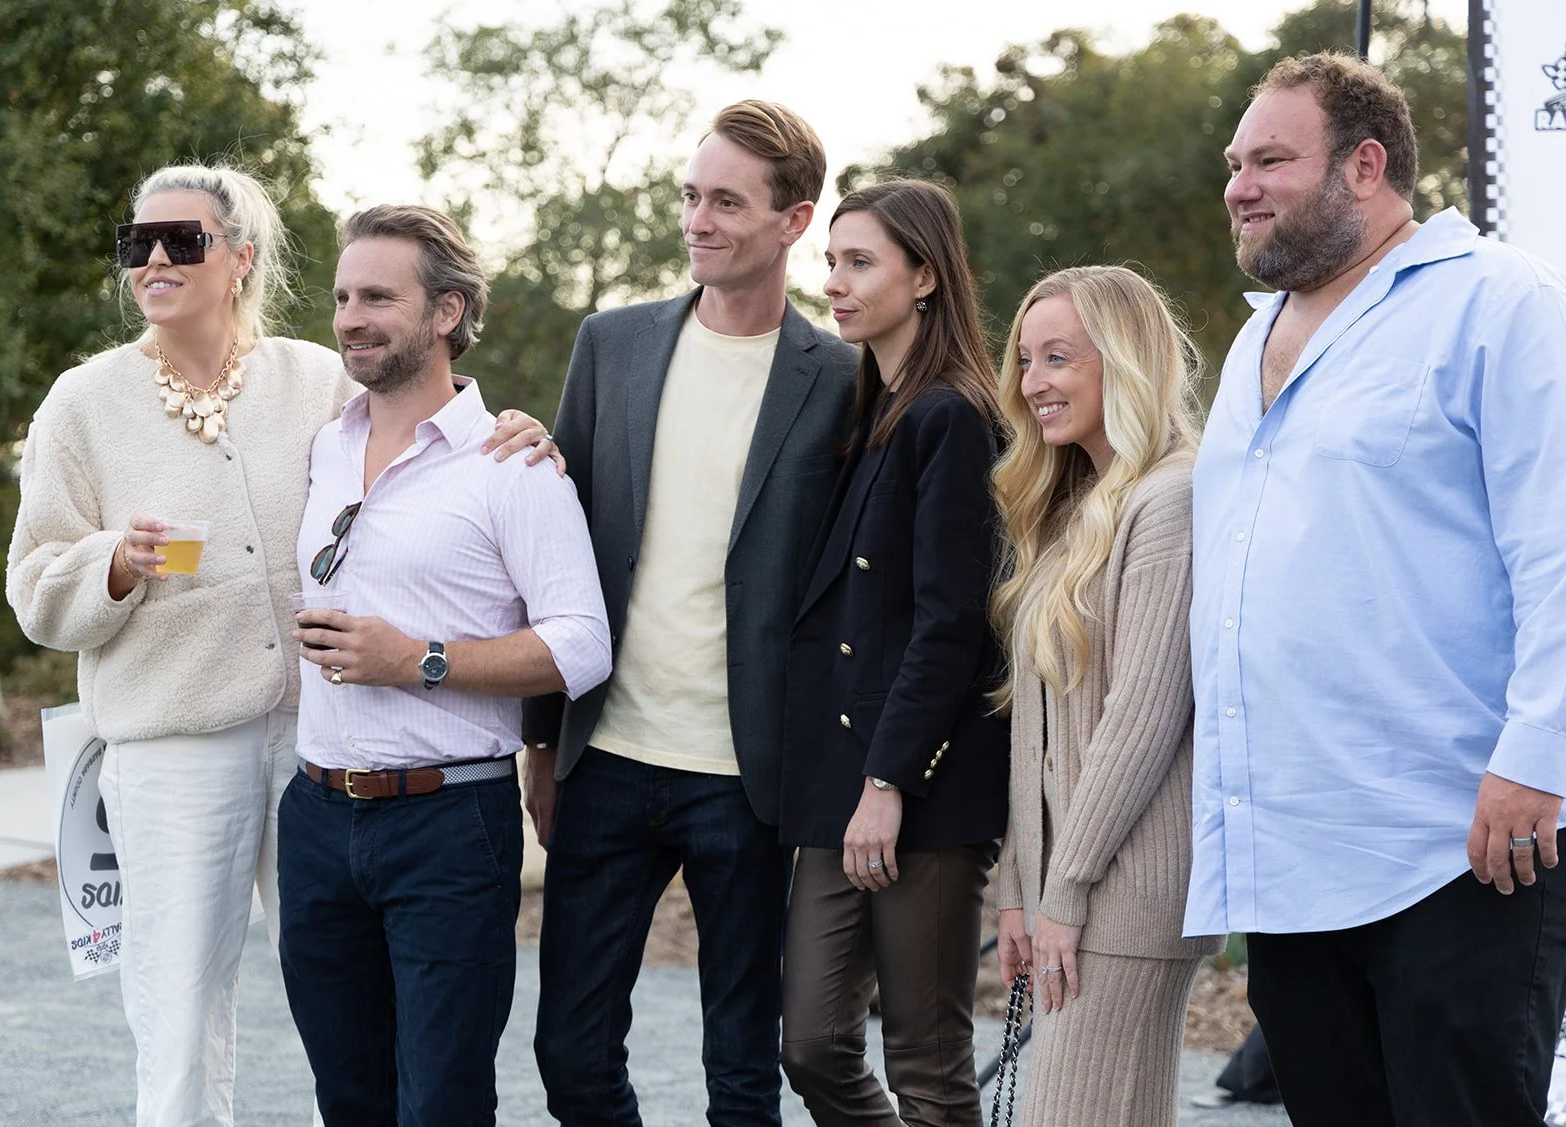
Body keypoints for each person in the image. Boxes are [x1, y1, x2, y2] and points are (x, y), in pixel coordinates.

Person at [3, 165, 552, 1127]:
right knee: (176, 1018)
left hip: (324, 745)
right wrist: (115, 566)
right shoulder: (82, 404)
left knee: (345, 1013)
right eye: (139, 244)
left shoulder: (317, 378)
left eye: (185, 240)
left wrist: (511, 426)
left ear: (242, 258)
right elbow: (34, 590)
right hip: (176, 748)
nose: (157, 259)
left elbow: (429, 432)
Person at [1185, 52, 1566, 1126]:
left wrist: (1537, 758)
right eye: (1233, 163)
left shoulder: (1499, 303)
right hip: (1288, 855)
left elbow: (1559, 546)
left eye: (1269, 160)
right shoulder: (1252, 342)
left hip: (1460, 845)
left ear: (1364, 165)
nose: (1238, 186)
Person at [522, 100, 858, 1126]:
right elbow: (558, 549)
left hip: (750, 780)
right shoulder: (611, 344)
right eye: (690, 196)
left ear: (793, 220)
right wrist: (542, 743)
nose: (697, 219)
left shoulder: (845, 376)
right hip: (608, 756)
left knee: (742, 1078)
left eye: (725, 201)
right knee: (571, 1057)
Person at [277, 204, 611, 1126]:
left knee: (443, 1102)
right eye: (344, 296)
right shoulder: (323, 447)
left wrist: (416, 659)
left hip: (447, 823)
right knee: (348, 1098)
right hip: (311, 816)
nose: (351, 316)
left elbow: (581, 644)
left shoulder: (512, 465)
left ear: (448, 312)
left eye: (380, 295)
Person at [776, 179, 1007, 1126]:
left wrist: (890, 782)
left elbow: (952, 622)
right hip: (842, 781)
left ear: (924, 276)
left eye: (859, 261)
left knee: (928, 1056)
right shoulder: (873, 412)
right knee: (814, 1043)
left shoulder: (953, 416)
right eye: (831, 260)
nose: (834, 280)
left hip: (920, 785)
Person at [991, 265, 1222, 1126]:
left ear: (1122, 360)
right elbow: (1035, 729)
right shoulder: (1074, 508)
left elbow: (1145, 718)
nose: (1033, 382)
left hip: (1129, 888)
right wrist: (1020, 886)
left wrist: (1066, 890)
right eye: (1024, 359)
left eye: (1058, 357)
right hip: (1075, 887)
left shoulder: (1171, 499)